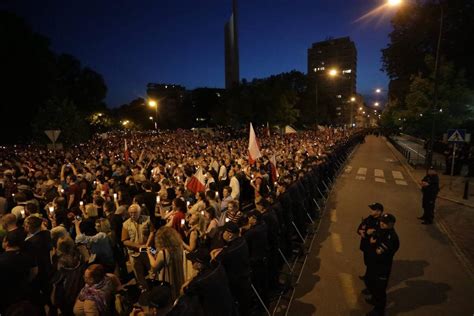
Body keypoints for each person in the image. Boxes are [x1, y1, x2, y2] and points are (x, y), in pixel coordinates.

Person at [211, 222, 252, 316]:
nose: (222, 234)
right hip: (245, 276)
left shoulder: (228, 252)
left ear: (230, 235)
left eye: (223, 232)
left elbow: (214, 262)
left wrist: (213, 254)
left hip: (235, 283)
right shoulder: (241, 240)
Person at [182, 248, 235, 316]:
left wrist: (190, 280)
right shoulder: (218, 267)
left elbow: (184, 291)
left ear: (199, 264)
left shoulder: (200, 281)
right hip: (229, 307)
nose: (192, 264)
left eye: (193, 262)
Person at [365, 213, 399, 316]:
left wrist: (372, 243)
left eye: (384, 222)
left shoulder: (391, 237)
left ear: (391, 224)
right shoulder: (382, 230)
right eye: (381, 221)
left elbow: (378, 252)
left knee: (380, 289)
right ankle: (374, 299)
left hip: (382, 267)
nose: (381, 223)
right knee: (371, 282)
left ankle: (379, 310)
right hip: (375, 264)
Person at [147, 226, 185, 301]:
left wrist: (149, 254)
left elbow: (154, 266)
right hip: (178, 276)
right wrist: (153, 251)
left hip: (168, 281)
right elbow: (162, 257)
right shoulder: (178, 247)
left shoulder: (163, 252)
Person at [122, 203, 154, 291]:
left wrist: (147, 245)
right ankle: (144, 288)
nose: (133, 215)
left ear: (140, 212)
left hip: (148, 250)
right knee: (138, 273)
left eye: (135, 213)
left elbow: (152, 232)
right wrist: (138, 246)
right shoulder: (126, 224)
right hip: (134, 253)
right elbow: (124, 240)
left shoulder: (147, 219)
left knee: (153, 269)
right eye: (131, 213)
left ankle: (154, 286)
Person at [357, 202, 383, 290]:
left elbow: (379, 236)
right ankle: (367, 276)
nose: (371, 211)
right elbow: (361, 226)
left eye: (373, 209)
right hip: (366, 247)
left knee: (372, 268)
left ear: (379, 212)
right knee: (368, 263)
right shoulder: (369, 218)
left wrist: (370, 233)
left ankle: (370, 288)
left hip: (373, 249)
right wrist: (360, 231)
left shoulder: (381, 223)